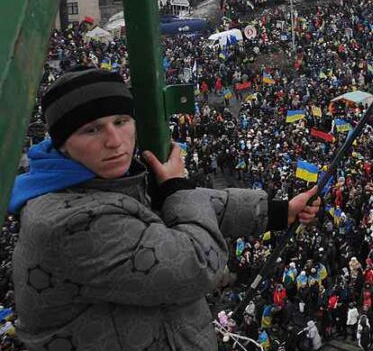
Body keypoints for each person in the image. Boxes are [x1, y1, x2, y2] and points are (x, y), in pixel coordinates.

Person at [8, 68, 321, 350]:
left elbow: (182, 203)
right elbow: (195, 265)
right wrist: (176, 186)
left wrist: (279, 211)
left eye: (120, 122)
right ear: (62, 141)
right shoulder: (69, 222)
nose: (115, 141)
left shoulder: (97, 178)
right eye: (92, 129)